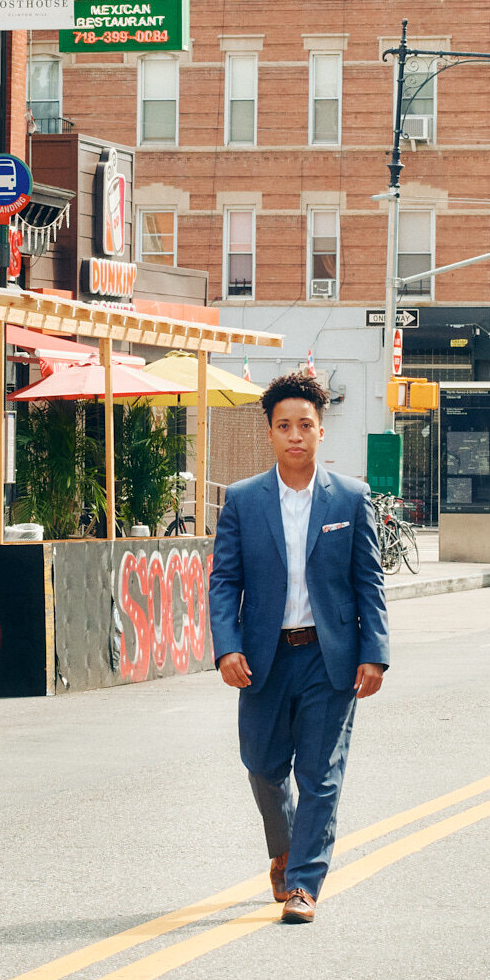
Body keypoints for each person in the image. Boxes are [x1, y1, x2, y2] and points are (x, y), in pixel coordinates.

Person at [208, 369, 388, 925]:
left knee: (321, 774)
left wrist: (375, 651)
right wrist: (226, 647)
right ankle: (283, 846)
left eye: (304, 425)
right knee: (263, 766)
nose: (294, 435)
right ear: (269, 433)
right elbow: (224, 582)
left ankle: (304, 884)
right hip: (263, 657)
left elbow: (370, 581)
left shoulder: (351, 500)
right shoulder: (241, 501)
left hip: (327, 657)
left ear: (320, 431)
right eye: (283, 425)